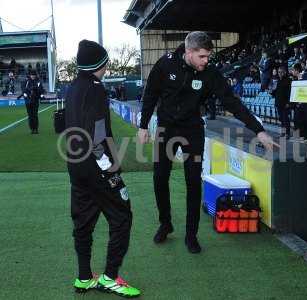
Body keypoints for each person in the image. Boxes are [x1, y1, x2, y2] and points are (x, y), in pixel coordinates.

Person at [138, 31, 275, 254]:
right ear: (189, 52)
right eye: (202, 56)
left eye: (208, 57)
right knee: (159, 176)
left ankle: (191, 235)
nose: (206, 61)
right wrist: (144, 126)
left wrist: (258, 130)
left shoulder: (209, 73)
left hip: (192, 130)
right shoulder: (165, 65)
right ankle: (165, 223)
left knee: (193, 181)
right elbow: (151, 94)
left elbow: (231, 101)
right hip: (166, 129)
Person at [65, 40, 141, 298]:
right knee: (122, 217)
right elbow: (96, 134)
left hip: (75, 165)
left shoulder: (72, 88)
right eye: (106, 62)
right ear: (101, 64)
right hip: (96, 166)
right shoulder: (96, 90)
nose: (107, 66)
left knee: (83, 221)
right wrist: (108, 166)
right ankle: (109, 277)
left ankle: (84, 277)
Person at [272, 66, 292, 138]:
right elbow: (275, 93)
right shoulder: (277, 81)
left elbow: (290, 93)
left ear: (285, 72)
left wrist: (288, 103)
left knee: (285, 119)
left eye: (281, 72)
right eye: (278, 72)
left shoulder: (288, 80)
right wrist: (271, 91)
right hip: (278, 103)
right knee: (281, 119)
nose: (279, 73)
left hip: (285, 103)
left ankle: (287, 133)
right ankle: (283, 133)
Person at [23, 70, 45, 134]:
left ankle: (36, 129)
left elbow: (41, 90)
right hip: (28, 101)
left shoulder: (38, 82)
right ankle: (32, 129)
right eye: (32, 75)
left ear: (35, 75)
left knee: (35, 115)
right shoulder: (26, 82)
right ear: (30, 75)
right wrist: (25, 94)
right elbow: (23, 90)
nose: (33, 76)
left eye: (34, 75)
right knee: (30, 115)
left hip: (35, 100)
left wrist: (41, 94)